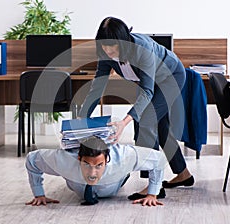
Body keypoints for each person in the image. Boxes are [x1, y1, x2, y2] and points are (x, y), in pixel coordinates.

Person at [77, 17, 194, 192]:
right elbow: (98, 86)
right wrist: (82, 116)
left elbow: (147, 91)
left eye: (113, 46)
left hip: (170, 77)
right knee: (160, 127)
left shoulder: (142, 50)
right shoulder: (105, 52)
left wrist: (124, 123)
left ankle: (154, 187)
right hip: (149, 83)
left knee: (146, 119)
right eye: (104, 45)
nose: (108, 51)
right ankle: (183, 173)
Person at [25, 136, 166, 207]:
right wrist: (39, 194)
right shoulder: (63, 160)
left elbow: (159, 159)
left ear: (107, 160)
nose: (92, 173)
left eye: (99, 165)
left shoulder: (123, 158)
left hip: (117, 179)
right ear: (79, 158)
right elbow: (31, 160)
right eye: (86, 164)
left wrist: (152, 193)